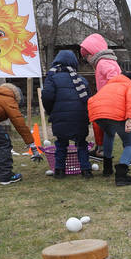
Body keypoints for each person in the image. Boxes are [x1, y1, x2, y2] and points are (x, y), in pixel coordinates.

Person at [79, 33, 131, 172]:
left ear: (93, 52)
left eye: (86, 55)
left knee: (117, 135)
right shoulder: (105, 62)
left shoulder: (104, 63)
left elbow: (114, 79)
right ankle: (110, 162)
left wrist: (107, 95)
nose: (86, 59)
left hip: (111, 103)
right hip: (111, 104)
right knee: (111, 133)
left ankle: (113, 161)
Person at [41, 50, 92, 179]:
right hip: (79, 117)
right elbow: (89, 99)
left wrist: (51, 111)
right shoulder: (81, 80)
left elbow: (46, 96)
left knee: (61, 144)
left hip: (60, 117)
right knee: (81, 144)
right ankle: (86, 170)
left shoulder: (52, 78)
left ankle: (59, 170)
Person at [87, 70, 131, 186]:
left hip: (97, 114)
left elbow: (93, 100)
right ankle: (121, 175)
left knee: (109, 133)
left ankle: (107, 168)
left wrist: (99, 143)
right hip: (115, 115)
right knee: (130, 144)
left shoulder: (107, 87)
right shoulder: (130, 86)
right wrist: (130, 118)